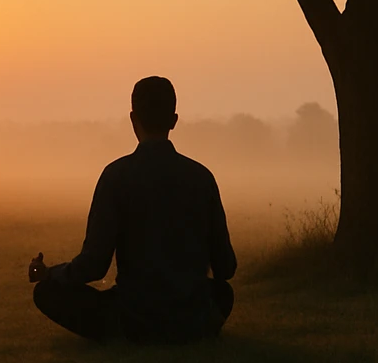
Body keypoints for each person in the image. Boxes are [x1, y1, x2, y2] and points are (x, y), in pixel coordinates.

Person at [28, 76, 236, 343]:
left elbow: (94, 265)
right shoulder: (202, 177)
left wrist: (51, 273)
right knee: (223, 292)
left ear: (132, 119)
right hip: (192, 318)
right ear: (174, 120)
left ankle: (133, 332)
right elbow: (226, 268)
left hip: (133, 318)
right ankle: (191, 326)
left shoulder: (116, 176)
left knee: (46, 292)